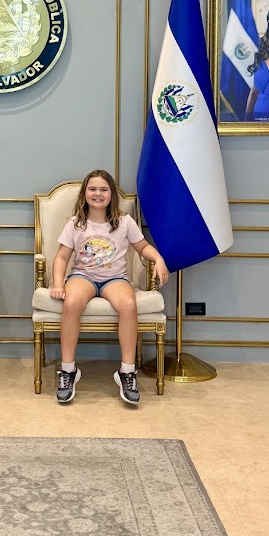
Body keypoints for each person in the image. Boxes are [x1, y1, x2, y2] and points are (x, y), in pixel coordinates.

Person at [51, 170, 169, 406]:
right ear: (84, 194)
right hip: (82, 276)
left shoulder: (124, 222)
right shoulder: (76, 223)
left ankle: (127, 372)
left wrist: (159, 259)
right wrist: (57, 283)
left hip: (115, 278)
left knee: (128, 304)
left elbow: (143, 246)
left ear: (111, 194)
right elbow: (62, 258)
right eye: (92, 189)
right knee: (72, 302)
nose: (98, 194)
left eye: (104, 189)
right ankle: (68, 370)